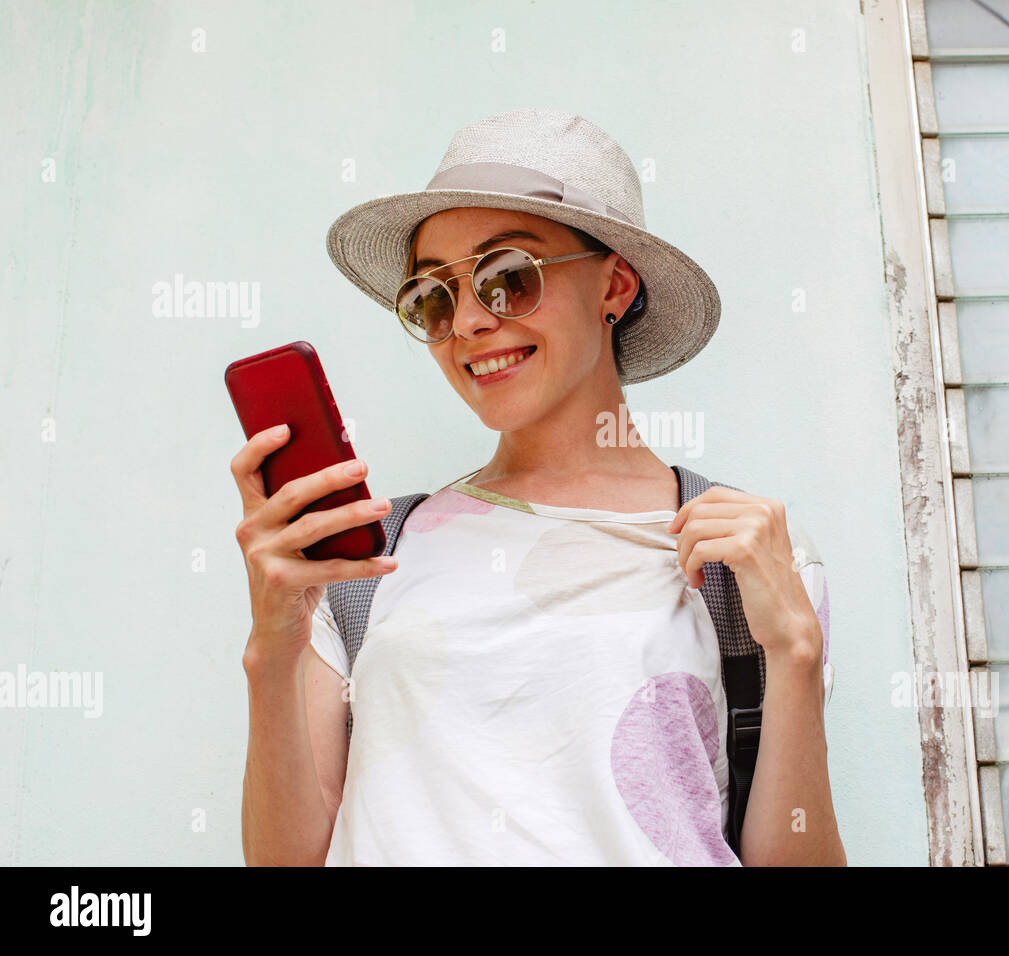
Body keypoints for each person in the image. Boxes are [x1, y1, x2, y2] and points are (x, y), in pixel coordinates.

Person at [233, 108, 844, 866]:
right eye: (432, 297)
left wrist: (796, 652)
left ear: (614, 284)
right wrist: (274, 642)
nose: (467, 323)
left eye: (507, 277)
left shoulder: (744, 554)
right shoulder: (366, 564)